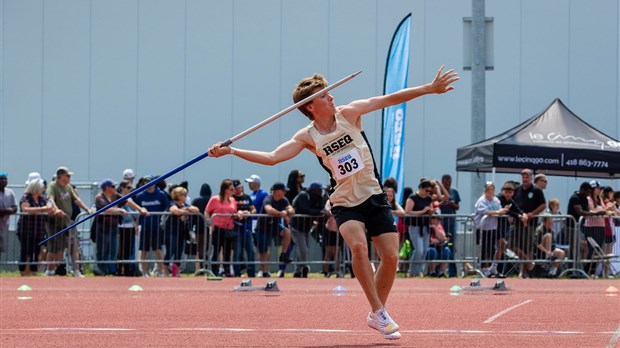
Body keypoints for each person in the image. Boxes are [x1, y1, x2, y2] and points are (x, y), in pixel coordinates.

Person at [208, 66, 458, 340]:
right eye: (324, 95)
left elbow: (389, 99)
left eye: (328, 92)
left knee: (391, 256)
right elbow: (272, 157)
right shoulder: (307, 137)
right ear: (311, 106)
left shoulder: (349, 114)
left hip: (373, 196)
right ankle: (379, 310)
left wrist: (429, 88)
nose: (331, 97)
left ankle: (377, 313)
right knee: (359, 247)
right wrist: (230, 150)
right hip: (344, 202)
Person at [94, 179, 146, 276]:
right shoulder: (99, 197)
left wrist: (140, 209)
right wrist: (118, 210)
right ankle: (101, 270)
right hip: (103, 227)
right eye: (113, 187)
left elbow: (127, 202)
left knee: (113, 249)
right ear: (107, 188)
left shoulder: (115, 196)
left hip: (114, 227)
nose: (115, 188)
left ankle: (111, 271)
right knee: (103, 249)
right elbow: (105, 209)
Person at [45, 167, 90, 277]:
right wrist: (56, 210)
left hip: (68, 221)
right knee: (55, 249)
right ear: (60, 176)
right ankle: (49, 271)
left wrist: (87, 209)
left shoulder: (68, 187)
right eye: (68, 175)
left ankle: (77, 271)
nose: (69, 178)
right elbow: (50, 199)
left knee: (73, 246)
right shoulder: (53, 186)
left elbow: (76, 199)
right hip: (55, 222)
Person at [254, 182, 295, 278]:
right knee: (264, 251)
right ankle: (262, 270)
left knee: (287, 232)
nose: (285, 192)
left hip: (274, 226)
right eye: (283, 190)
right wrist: (282, 214)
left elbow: (291, 210)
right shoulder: (268, 199)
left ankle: (284, 254)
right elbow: (269, 210)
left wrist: (287, 212)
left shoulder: (284, 200)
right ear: (276, 191)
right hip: (262, 228)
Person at [133, 175, 169, 277]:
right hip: (145, 227)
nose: (148, 184)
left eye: (150, 182)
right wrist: (136, 225)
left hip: (157, 227)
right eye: (145, 182)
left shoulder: (161, 194)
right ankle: (144, 272)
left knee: (158, 249)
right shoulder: (140, 195)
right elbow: (138, 212)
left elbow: (165, 208)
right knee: (143, 250)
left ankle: (160, 272)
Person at [513, 169, 546, 278]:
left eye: (527, 177)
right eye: (523, 177)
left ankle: (523, 272)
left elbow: (543, 205)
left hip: (530, 223)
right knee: (513, 245)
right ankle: (530, 265)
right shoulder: (516, 189)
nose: (525, 179)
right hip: (517, 222)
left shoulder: (536, 190)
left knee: (527, 248)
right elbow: (512, 203)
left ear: (531, 178)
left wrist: (532, 214)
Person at [16, 178, 52, 276]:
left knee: (36, 252)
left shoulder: (42, 198)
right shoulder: (26, 197)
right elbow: (26, 209)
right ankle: (23, 271)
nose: (42, 190)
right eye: (41, 188)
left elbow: (49, 205)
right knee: (26, 251)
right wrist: (41, 209)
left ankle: (33, 271)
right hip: (26, 229)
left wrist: (48, 207)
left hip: (39, 230)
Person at [291, 182, 327, 277]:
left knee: (302, 250)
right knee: (303, 249)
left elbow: (321, 207)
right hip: (297, 227)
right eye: (319, 190)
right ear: (314, 190)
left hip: (306, 227)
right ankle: (304, 267)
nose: (321, 191)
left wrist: (321, 211)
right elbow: (305, 209)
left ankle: (298, 271)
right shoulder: (304, 195)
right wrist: (319, 212)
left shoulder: (317, 198)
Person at [473, 182, 509, 277]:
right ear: (485, 191)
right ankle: (485, 269)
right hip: (483, 229)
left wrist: (504, 210)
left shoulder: (496, 200)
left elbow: (499, 210)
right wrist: (497, 212)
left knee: (502, 244)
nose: (490, 192)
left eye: (492, 189)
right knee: (486, 249)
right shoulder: (482, 200)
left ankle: (493, 267)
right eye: (488, 189)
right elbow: (485, 212)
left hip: (493, 227)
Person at [404, 180, 436, 278]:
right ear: (421, 188)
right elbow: (407, 211)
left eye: (429, 191)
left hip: (425, 227)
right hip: (415, 226)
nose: (428, 193)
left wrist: (431, 211)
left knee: (425, 250)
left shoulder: (428, 199)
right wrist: (422, 211)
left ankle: (418, 271)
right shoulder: (412, 198)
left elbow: (430, 211)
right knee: (419, 250)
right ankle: (412, 271)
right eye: (426, 190)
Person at [205, 179, 238, 277]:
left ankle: (227, 270)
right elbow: (207, 211)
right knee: (216, 250)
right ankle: (213, 271)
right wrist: (210, 223)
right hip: (217, 227)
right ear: (225, 189)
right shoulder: (215, 199)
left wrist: (238, 214)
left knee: (227, 251)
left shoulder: (232, 200)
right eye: (231, 189)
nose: (233, 191)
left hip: (229, 227)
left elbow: (234, 213)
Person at [164, 186, 199, 277]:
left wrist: (185, 209)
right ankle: (165, 271)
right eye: (184, 195)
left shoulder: (185, 205)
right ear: (178, 196)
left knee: (179, 252)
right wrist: (184, 211)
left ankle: (176, 272)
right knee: (171, 250)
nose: (186, 196)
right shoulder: (171, 203)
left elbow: (196, 210)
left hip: (182, 232)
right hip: (171, 231)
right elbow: (175, 211)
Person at [231, 179, 257, 278]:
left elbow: (253, 208)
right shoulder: (232, 198)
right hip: (236, 227)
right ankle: (237, 273)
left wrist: (249, 213)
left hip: (247, 228)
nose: (238, 190)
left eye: (240, 187)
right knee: (237, 251)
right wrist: (238, 214)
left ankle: (251, 273)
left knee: (251, 250)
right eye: (236, 188)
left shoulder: (246, 197)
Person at [116, 181, 141, 276]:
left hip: (130, 226)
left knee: (129, 249)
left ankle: (127, 269)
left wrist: (136, 224)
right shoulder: (118, 197)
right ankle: (119, 270)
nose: (130, 189)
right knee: (121, 250)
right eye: (128, 187)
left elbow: (135, 213)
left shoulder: (131, 199)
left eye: (131, 188)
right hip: (121, 227)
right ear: (122, 187)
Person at [439, 174, 460, 277]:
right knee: (441, 246)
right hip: (441, 223)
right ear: (442, 182)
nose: (447, 185)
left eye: (449, 183)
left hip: (451, 223)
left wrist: (452, 204)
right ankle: (439, 271)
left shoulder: (454, 191)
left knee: (451, 247)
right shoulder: (438, 191)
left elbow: (457, 206)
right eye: (445, 183)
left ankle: (453, 272)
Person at [190, 182, 212, 272]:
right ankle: (209, 266)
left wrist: (191, 227)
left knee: (200, 248)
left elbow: (192, 216)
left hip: (199, 227)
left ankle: (202, 266)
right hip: (210, 226)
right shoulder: (211, 200)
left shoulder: (196, 200)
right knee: (209, 248)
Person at [0, 172, 17, 256]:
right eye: (1, 179)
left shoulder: (10, 192)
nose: (3, 181)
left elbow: (15, 208)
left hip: (4, 225)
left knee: (1, 248)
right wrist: (8, 210)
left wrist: (4, 211)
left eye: (5, 179)